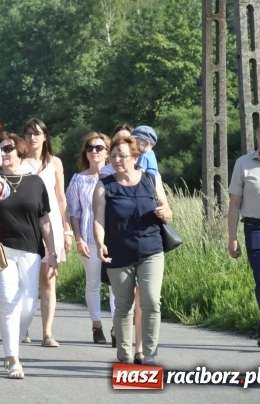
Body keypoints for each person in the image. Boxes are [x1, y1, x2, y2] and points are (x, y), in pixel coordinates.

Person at [93, 136, 173, 365]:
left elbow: (168, 211)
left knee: (151, 301)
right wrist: (100, 243)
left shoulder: (151, 179)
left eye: (122, 155)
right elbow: (98, 219)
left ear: (135, 157)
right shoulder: (104, 185)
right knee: (123, 305)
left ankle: (149, 354)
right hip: (118, 252)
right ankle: (125, 355)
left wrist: (165, 214)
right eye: (113, 156)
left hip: (151, 250)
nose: (117, 160)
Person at [0, 132, 58, 380]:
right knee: (9, 302)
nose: (4, 153)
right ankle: (12, 358)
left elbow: (45, 220)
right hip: (2, 250)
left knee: (29, 307)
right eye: (0, 149)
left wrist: (52, 252)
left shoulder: (35, 183)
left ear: (20, 151)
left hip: (31, 250)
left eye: (8, 148)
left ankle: (15, 341)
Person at [20, 118, 71, 347]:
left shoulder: (54, 163)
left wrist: (67, 230)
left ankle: (47, 332)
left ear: (45, 137)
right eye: (28, 133)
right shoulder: (18, 162)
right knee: (24, 281)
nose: (32, 138)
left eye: (37, 133)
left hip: (52, 225)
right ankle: (23, 326)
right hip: (25, 225)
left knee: (48, 279)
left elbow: (61, 198)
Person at [227, 121, 260, 350]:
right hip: (256, 228)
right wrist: (232, 238)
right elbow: (234, 203)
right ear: (256, 138)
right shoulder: (243, 164)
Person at [66, 132, 114, 345]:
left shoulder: (114, 177)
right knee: (93, 282)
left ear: (108, 152)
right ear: (85, 153)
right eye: (90, 148)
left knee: (115, 284)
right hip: (88, 238)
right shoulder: (78, 180)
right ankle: (96, 325)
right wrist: (78, 239)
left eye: (99, 147)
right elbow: (74, 213)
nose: (94, 151)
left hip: (113, 238)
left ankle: (117, 327)